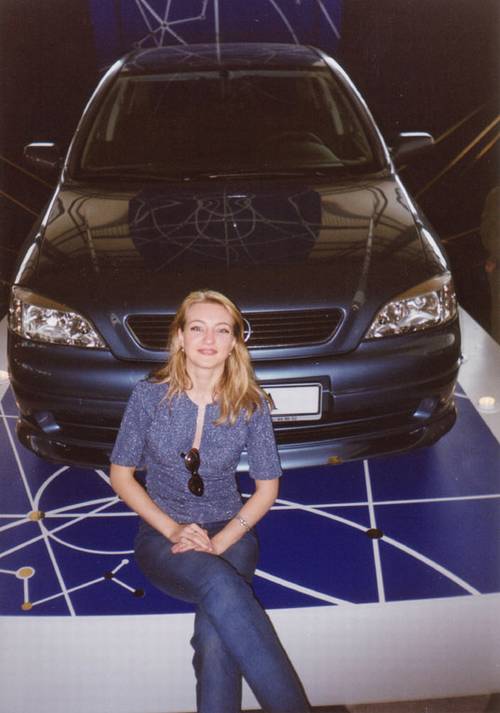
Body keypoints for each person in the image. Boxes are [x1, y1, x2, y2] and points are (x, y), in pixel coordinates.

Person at [109, 289, 311, 713]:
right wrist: (174, 530)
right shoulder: (147, 396)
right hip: (162, 535)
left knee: (215, 638)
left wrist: (218, 544)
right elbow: (121, 475)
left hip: (231, 532)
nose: (208, 339)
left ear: (234, 342)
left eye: (222, 330)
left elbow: (267, 489)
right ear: (179, 337)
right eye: (197, 328)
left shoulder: (251, 403)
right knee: (221, 585)